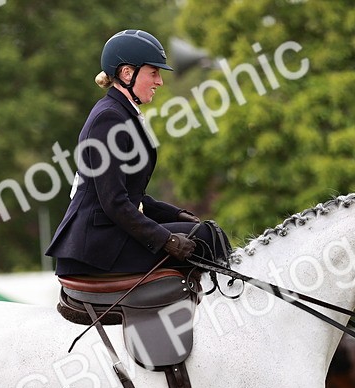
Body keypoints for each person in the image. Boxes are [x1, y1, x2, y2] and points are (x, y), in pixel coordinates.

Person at [46, 29, 226, 277]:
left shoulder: (121, 113)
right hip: (95, 248)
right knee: (207, 237)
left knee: (205, 232)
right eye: (153, 73)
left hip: (109, 236)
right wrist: (167, 240)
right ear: (127, 73)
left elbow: (133, 196)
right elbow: (114, 202)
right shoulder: (109, 118)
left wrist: (176, 214)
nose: (159, 81)